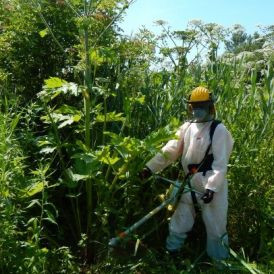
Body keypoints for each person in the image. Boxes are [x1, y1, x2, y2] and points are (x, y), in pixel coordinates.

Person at [140, 86, 234, 262]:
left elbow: (221, 164)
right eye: (194, 106)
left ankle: (219, 262)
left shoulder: (219, 130)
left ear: (210, 107)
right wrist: (150, 168)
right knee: (180, 219)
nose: (197, 110)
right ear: (190, 107)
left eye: (202, 105)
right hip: (188, 181)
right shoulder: (187, 127)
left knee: (216, 225)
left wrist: (212, 187)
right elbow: (171, 149)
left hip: (210, 182)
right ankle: (172, 253)